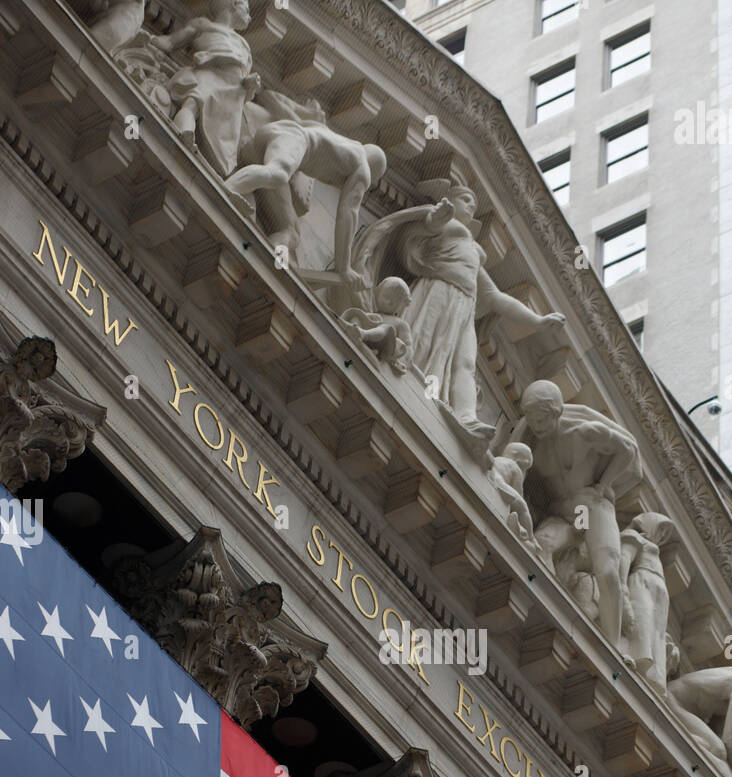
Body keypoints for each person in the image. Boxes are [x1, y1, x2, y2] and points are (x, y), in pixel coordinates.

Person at [396, 187, 564, 430]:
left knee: (465, 363)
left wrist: (537, 321)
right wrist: (436, 217)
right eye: (465, 199)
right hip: (440, 292)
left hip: (464, 308)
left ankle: (466, 416)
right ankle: (410, 379)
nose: (471, 206)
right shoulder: (449, 227)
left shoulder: (474, 250)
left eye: (473, 204)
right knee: (423, 340)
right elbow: (424, 227)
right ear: (450, 201)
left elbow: (495, 297)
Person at [511, 380, 642, 647]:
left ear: (557, 412)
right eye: (531, 418)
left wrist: (602, 485)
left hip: (590, 506)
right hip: (563, 512)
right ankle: (544, 609)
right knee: (543, 543)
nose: (536, 425)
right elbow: (512, 460)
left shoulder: (583, 432)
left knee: (607, 572)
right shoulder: (529, 437)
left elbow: (627, 451)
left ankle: (614, 647)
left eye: (542, 418)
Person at [224, 89, 386, 288]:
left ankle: (269, 255)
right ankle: (226, 189)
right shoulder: (362, 167)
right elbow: (348, 213)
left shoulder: (329, 135)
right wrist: (344, 268)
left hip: (268, 137)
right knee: (278, 173)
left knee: (292, 231)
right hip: (292, 141)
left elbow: (273, 101)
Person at [152, 0, 257, 178]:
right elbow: (170, 42)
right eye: (246, 10)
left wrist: (251, 86)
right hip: (210, 74)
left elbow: (247, 88)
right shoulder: (203, 25)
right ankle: (184, 134)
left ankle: (218, 170)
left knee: (226, 137)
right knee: (193, 103)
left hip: (232, 94)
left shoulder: (244, 46)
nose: (250, 16)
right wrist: (149, 39)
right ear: (233, 5)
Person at [619, 512, 673, 693]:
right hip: (641, 579)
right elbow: (625, 557)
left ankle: (653, 676)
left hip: (659, 589)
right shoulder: (634, 537)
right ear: (649, 524)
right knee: (642, 617)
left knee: (656, 631)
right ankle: (636, 656)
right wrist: (621, 583)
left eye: (665, 533)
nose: (662, 535)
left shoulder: (649, 544)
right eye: (661, 529)